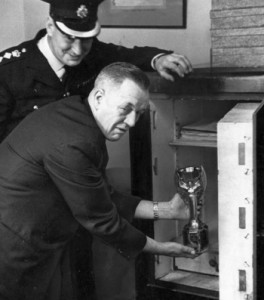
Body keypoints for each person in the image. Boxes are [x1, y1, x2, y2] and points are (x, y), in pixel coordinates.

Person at [0, 62, 196, 300]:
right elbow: (100, 219)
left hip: (25, 239)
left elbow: (99, 194)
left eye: (140, 112)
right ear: (99, 96)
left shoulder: (75, 112)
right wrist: (162, 249)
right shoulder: (75, 141)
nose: (132, 122)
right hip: (13, 248)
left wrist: (166, 210)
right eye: (126, 108)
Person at [0, 0, 193, 142]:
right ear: (50, 26)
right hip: (25, 185)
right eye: (69, 38)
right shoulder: (9, 71)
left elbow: (126, 55)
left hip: (80, 167)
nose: (78, 50)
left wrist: (159, 59)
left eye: (86, 39)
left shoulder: (93, 54)